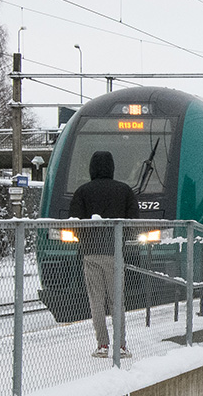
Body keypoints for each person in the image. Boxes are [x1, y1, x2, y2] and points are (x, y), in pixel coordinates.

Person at [68, 151, 138, 359]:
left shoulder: (82, 191)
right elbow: (133, 221)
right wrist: (121, 238)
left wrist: (85, 239)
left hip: (90, 252)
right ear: (112, 167)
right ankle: (121, 346)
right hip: (114, 252)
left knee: (96, 300)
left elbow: (74, 221)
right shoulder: (124, 190)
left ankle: (102, 344)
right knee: (117, 301)